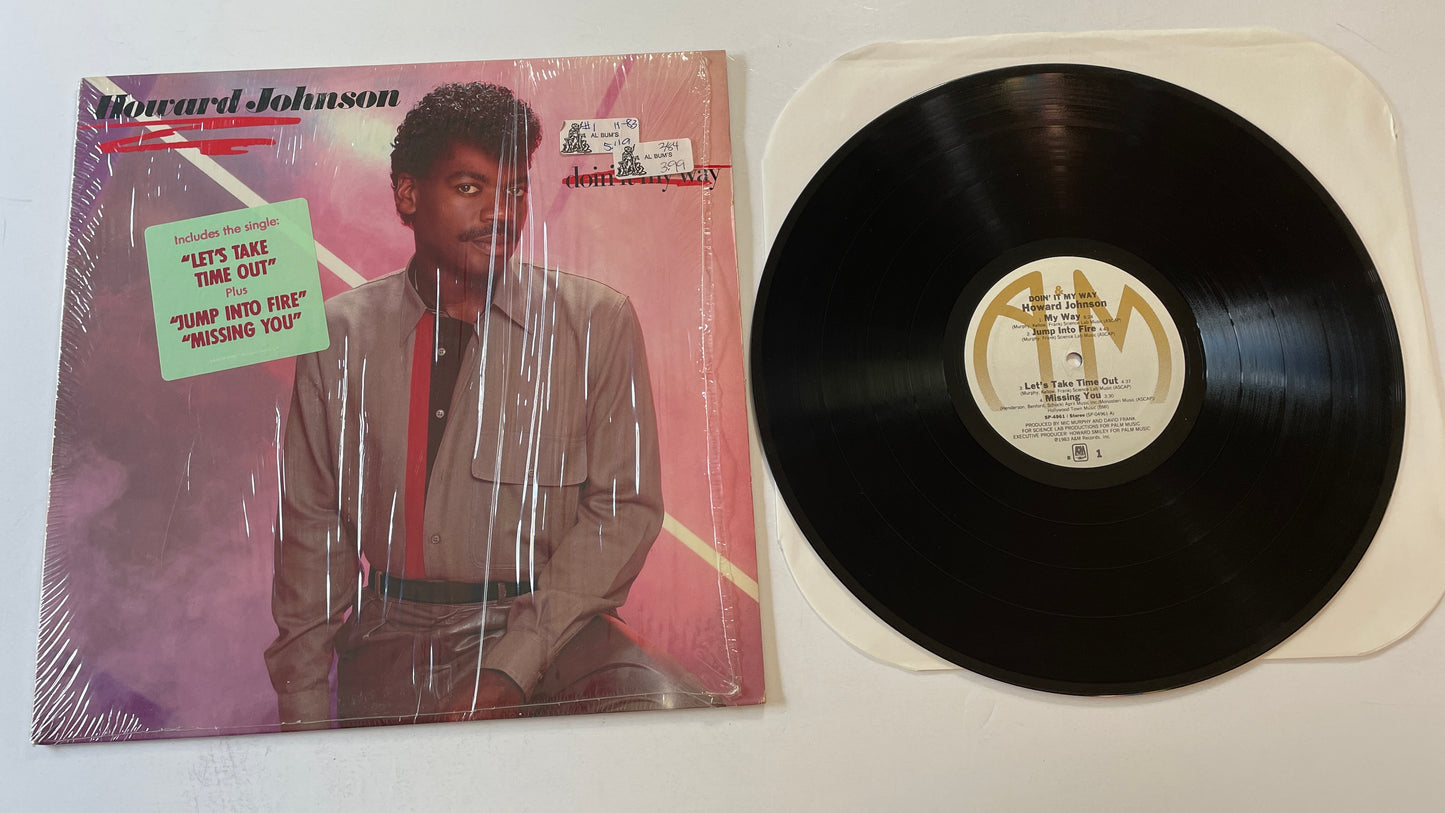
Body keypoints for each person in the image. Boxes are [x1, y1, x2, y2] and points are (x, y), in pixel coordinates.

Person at [264, 82, 709, 729]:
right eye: (470, 187)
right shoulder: (339, 335)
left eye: (516, 190)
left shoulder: (596, 322)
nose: (500, 212)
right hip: (393, 640)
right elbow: (311, 533)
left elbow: (623, 511)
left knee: (676, 708)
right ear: (408, 195)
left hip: (552, 629)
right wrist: (302, 714)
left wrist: (512, 663)